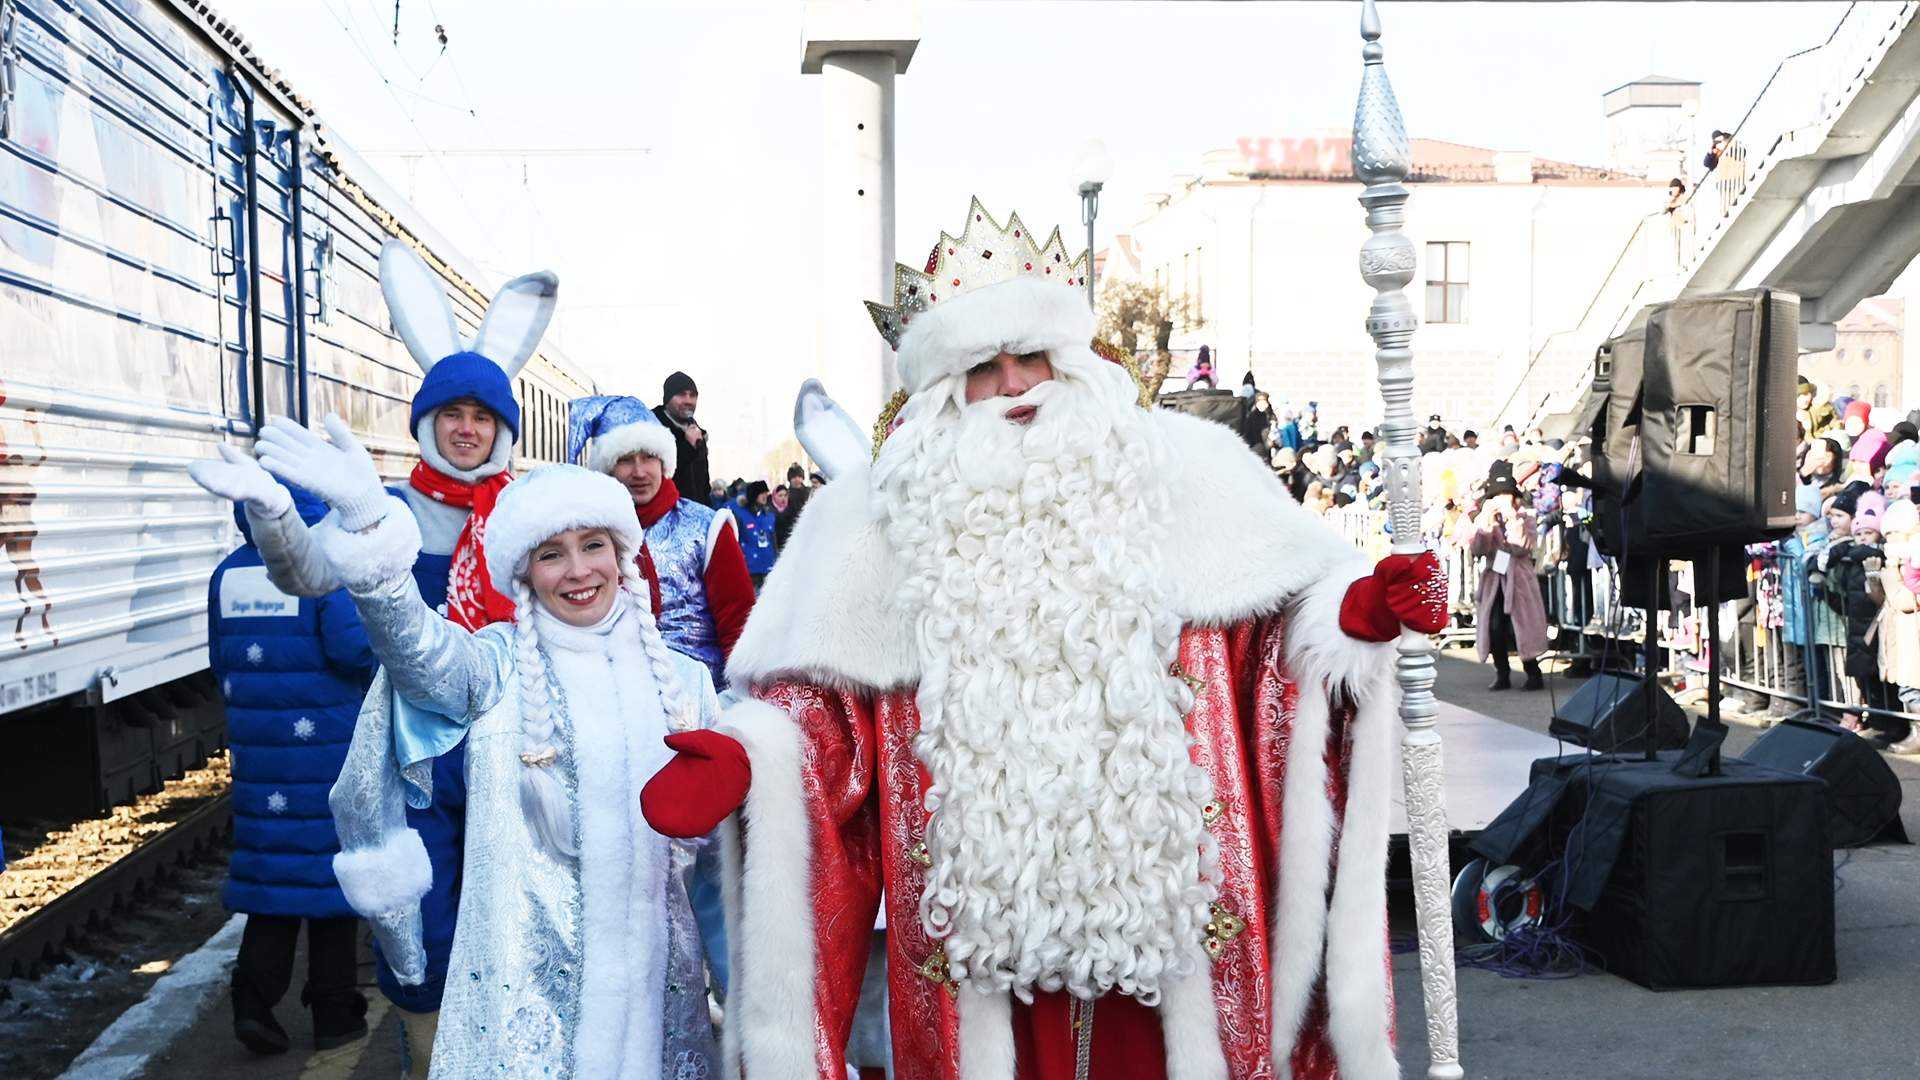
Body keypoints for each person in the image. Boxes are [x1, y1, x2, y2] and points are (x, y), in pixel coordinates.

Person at [639, 199, 1446, 1078]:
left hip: (1175, 923)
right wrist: (752, 752)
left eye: (1035, 358)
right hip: (975, 942)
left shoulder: (1187, 471)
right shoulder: (869, 521)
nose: (1018, 385)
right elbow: (824, 720)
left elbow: (1276, 647)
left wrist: (1354, 615)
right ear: (941, 390)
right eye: (985, 366)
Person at [207, 432, 725, 1078]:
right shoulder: (492, 668)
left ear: (622, 553)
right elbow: (415, 651)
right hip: (522, 1025)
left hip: (659, 1019)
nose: (579, 571)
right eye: (551, 554)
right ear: (524, 572)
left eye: (594, 545)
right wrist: (371, 529)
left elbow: (729, 864)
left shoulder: (687, 686)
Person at [189, 241, 556, 1075]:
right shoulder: (382, 507)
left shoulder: (532, 512)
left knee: (512, 914)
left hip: (513, 741)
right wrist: (279, 517)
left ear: (503, 429)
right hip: (410, 750)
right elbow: (311, 574)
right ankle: (432, 1059)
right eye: (453, 415)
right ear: (427, 423)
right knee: (419, 922)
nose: (468, 430)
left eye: (484, 418)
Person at [210, 481, 375, 1056]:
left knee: (272, 878)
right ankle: (333, 1012)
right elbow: (353, 651)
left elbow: (218, 658)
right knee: (331, 882)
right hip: (326, 751)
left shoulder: (228, 574)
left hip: (261, 756)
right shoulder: (321, 569)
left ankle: (253, 999)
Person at [567, 395, 755, 693]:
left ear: (664, 461)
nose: (639, 472)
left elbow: (740, 621)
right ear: (608, 468)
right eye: (626, 459)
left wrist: (742, 700)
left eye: (649, 457)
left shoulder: (707, 527)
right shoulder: (586, 534)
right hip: (618, 698)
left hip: (703, 702)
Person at [1460, 463, 1547, 690]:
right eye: (1497, 495)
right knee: (1495, 626)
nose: (1501, 498)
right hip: (1495, 578)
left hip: (1519, 578)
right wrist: (1485, 525)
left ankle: (1533, 672)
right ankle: (1502, 672)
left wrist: (1511, 518)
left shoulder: (1524, 517)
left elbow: (1523, 547)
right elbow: (1478, 550)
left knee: (1523, 625)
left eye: (1505, 494)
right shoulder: (1486, 519)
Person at [656, 371, 713, 501]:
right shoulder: (653, 427)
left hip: (696, 514)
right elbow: (658, 476)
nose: (688, 401)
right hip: (666, 514)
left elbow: (704, 483)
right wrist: (687, 447)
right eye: (681, 394)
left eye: (692, 395)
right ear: (668, 398)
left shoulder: (698, 433)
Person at [736, 480, 778, 586]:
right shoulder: (740, 515)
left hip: (769, 567)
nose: (765, 496)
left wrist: (777, 560)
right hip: (749, 569)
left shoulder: (769, 515)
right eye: (761, 493)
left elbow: (773, 541)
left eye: (766, 493)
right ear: (754, 495)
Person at [776, 463, 812, 549]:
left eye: (799, 477)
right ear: (790, 479)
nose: (797, 479)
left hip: (808, 529)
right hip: (790, 530)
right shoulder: (786, 494)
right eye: (794, 477)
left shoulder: (808, 492)